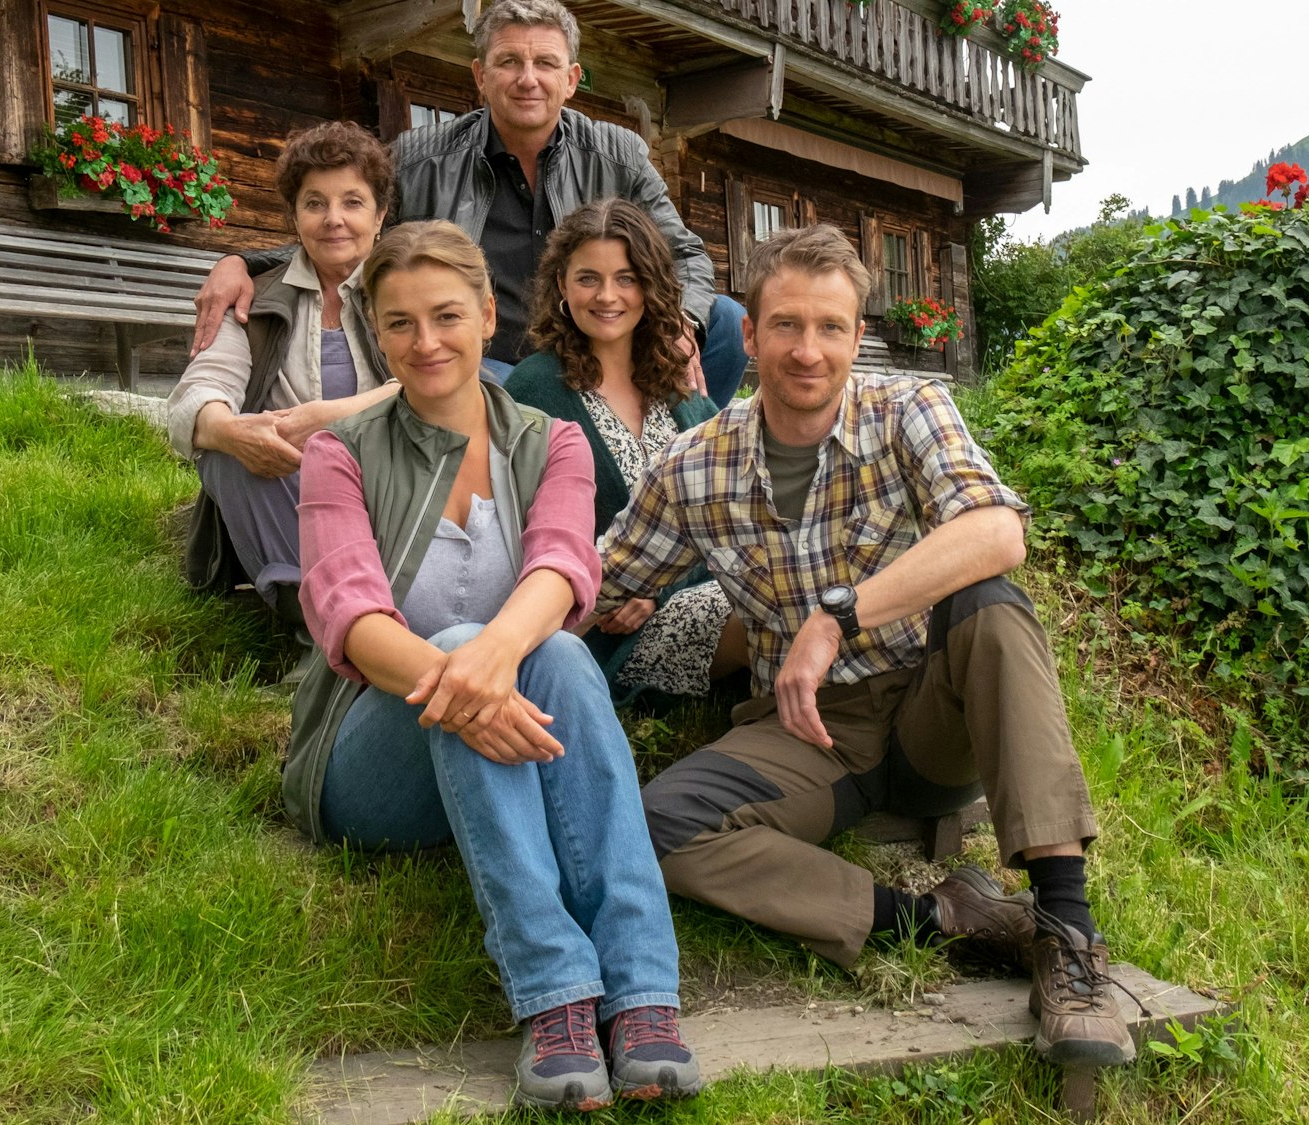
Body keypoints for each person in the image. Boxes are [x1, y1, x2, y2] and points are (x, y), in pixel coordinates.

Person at [598, 225, 1139, 1070]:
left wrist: (836, 616)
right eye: (784, 325)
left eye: (828, 328)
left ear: (859, 336)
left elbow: (997, 530)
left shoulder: (910, 410)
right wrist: (469, 641)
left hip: (933, 710)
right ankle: (944, 919)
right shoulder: (695, 464)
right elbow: (598, 576)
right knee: (659, 825)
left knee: (991, 603)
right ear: (750, 332)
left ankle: (1069, 939)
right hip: (810, 729)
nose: (805, 351)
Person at [280, 220, 704, 1109]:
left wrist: (492, 664)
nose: (425, 342)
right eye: (399, 324)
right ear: (376, 333)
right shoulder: (339, 452)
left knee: (551, 643)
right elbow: (349, 616)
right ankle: (553, 992)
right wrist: (466, 679)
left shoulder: (550, 443)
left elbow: (562, 569)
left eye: (445, 315)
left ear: (486, 314)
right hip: (369, 763)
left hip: (499, 714)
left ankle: (642, 992)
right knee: (446, 645)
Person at [188, 0, 752, 408]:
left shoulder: (619, 154)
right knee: (509, 390)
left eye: (545, 64)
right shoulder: (419, 158)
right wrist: (241, 260)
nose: (527, 79)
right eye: (509, 62)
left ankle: (678, 440)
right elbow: (350, 231)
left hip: (601, 342)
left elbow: (686, 254)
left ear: (572, 79)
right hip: (489, 360)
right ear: (480, 76)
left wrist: (683, 323)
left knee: (726, 321)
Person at [167, 120, 401, 640]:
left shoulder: (409, 288)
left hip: (394, 485)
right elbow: (193, 399)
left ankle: (360, 626)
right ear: (294, 216)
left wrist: (329, 419)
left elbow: (448, 386)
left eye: (353, 202)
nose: (333, 219)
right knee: (226, 452)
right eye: (314, 203)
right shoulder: (255, 298)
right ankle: (322, 625)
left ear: (381, 215)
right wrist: (229, 431)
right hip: (295, 491)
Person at [505, 199, 746, 700]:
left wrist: (657, 587)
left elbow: (726, 511)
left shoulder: (673, 380)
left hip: (691, 589)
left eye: (627, 278)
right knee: (773, 613)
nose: (607, 296)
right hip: (604, 629)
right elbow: (524, 536)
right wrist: (622, 587)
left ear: (650, 286)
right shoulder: (535, 390)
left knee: (793, 587)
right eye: (588, 278)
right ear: (562, 288)